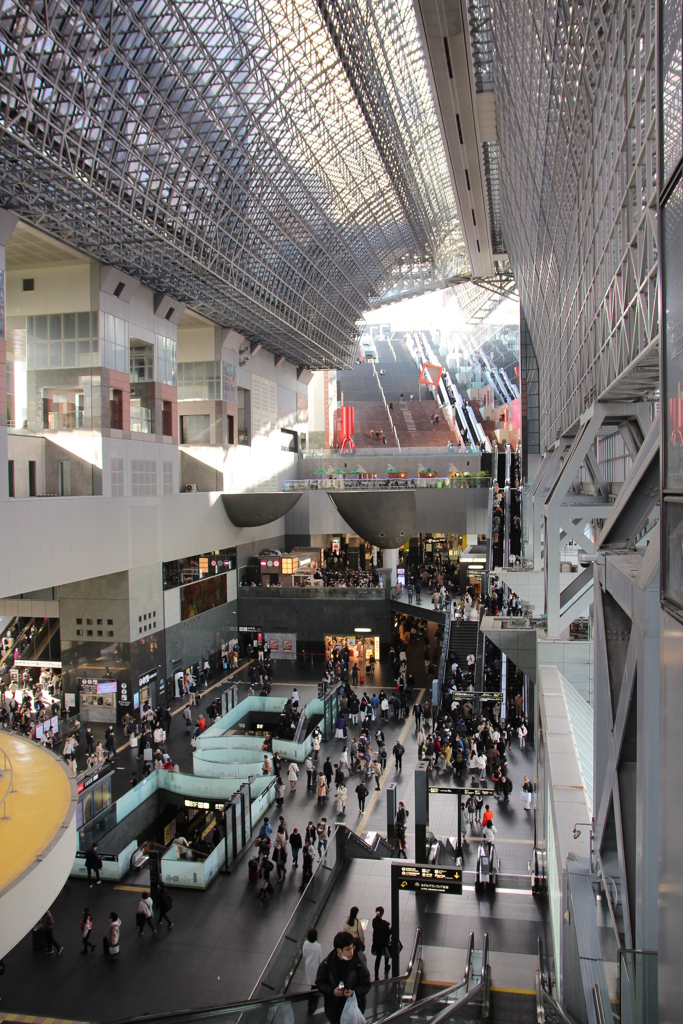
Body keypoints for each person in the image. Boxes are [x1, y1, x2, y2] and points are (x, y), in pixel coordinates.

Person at [315, 931, 372, 1024]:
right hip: (335, 1010)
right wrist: (332, 991)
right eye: (348, 949)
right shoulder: (327, 964)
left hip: (353, 1009)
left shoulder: (358, 964)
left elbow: (366, 984)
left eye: (352, 948)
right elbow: (320, 983)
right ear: (339, 950)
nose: (351, 952)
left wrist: (354, 992)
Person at [303, 927, 323, 1014]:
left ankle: (311, 1001)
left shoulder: (305, 944)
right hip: (316, 967)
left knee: (312, 982)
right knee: (315, 984)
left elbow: (304, 955)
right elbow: (320, 959)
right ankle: (312, 1000)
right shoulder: (318, 947)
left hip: (308, 966)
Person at [371, 907, 392, 980]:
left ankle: (376, 975)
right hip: (384, 942)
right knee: (386, 954)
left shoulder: (374, 921)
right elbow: (388, 933)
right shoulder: (385, 924)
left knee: (378, 958)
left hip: (377, 942)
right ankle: (386, 966)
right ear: (382, 913)